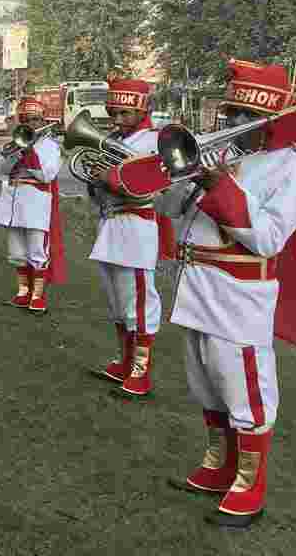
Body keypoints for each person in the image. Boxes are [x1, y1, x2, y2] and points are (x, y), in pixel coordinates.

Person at [144, 58, 296, 527]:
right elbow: (171, 210)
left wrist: (220, 187)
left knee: (245, 389)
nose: (229, 123)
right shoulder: (223, 155)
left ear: (268, 120)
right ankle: (218, 466)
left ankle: (250, 485)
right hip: (196, 286)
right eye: (228, 112)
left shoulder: (295, 169)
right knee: (204, 384)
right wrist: (182, 176)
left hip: (240, 294)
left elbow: (270, 237)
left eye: (240, 116)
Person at [85, 78, 177, 398]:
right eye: (113, 112)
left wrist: (109, 178)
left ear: (143, 110)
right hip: (110, 224)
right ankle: (124, 361)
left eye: (125, 113)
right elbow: (99, 195)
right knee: (116, 301)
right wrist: (95, 182)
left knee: (138, 301)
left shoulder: (154, 141)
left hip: (137, 227)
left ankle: (141, 370)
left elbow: (149, 189)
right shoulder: (111, 139)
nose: (117, 119)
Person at [0, 96, 66, 314]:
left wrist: (30, 153)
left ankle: (37, 295)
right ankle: (23, 291)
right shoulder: (14, 142)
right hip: (14, 202)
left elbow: (47, 175)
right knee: (16, 252)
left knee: (37, 251)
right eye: (26, 120)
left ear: (43, 121)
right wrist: (17, 152)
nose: (31, 124)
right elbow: (2, 170)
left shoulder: (51, 146)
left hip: (36, 202)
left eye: (35, 120)